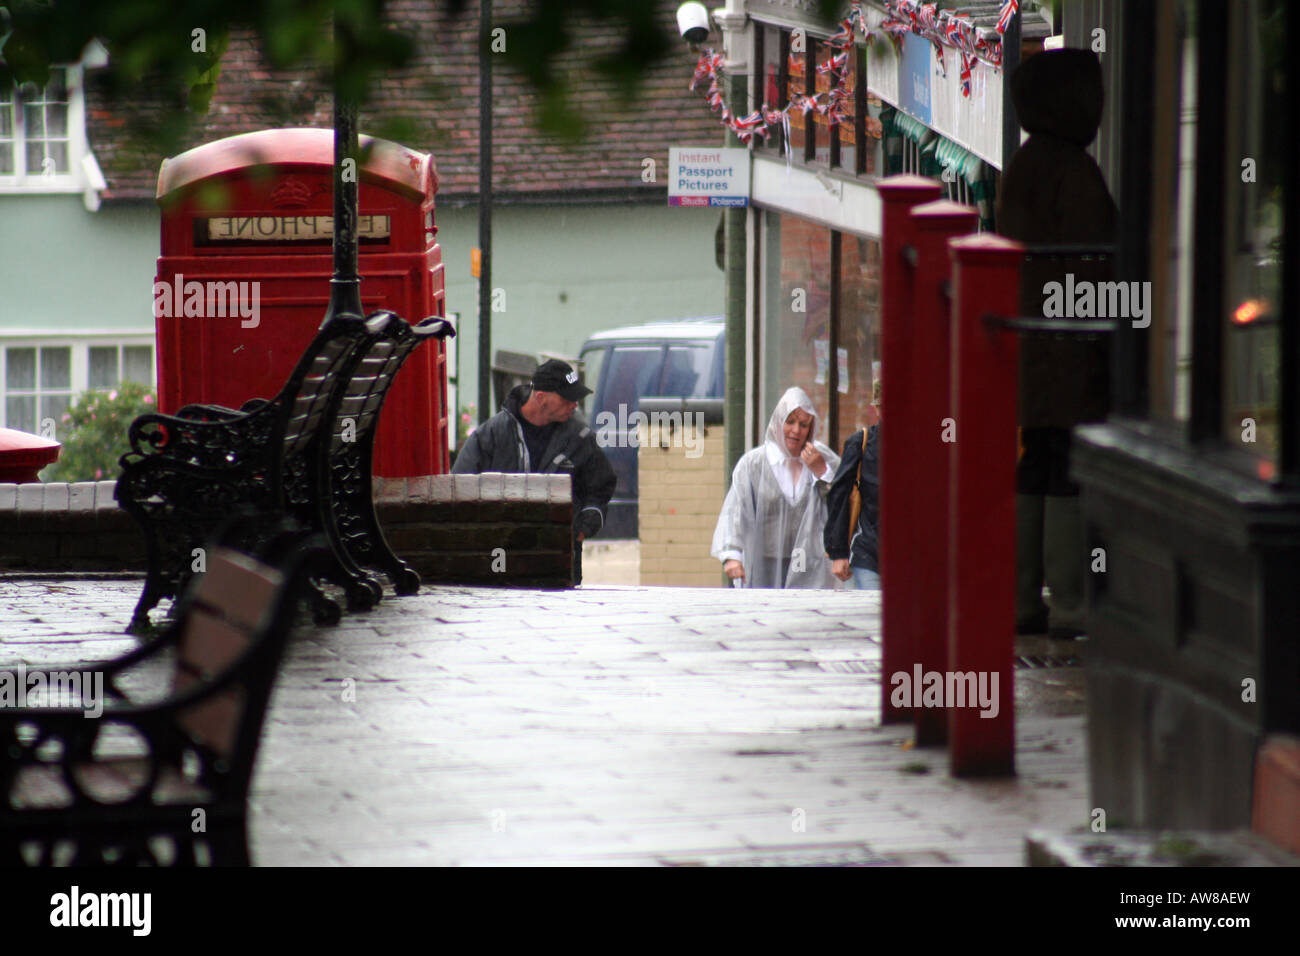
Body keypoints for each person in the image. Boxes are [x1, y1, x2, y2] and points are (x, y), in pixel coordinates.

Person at [997, 48, 1117, 640]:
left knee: (1035, 464)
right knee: (1067, 469)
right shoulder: (1076, 173)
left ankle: (1023, 598)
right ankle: (1071, 600)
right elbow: (1097, 268)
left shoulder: (1024, 166)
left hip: (1028, 349)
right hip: (1071, 350)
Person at [452, 359, 616, 584]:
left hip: (559, 561)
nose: (575, 404)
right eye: (567, 397)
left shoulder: (580, 436)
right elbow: (461, 489)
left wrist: (585, 525)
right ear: (540, 397)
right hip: (500, 560)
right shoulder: (490, 435)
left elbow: (600, 487)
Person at [711, 386, 840, 588]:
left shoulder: (824, 458)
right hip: (765, 562)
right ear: (778, 422)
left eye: (804, 424)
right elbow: (736, 510)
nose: (796, 431)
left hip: (810, 563)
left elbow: (844, 503)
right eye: (790, 422)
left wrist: (823, 472)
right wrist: (732, 555)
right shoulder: (754, 464)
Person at [824, 381, 881, 590]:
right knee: (872, 617)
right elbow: (839, 495)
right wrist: (838, 552)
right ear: (876, 409)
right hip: (869, 554)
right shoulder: (862, 443)